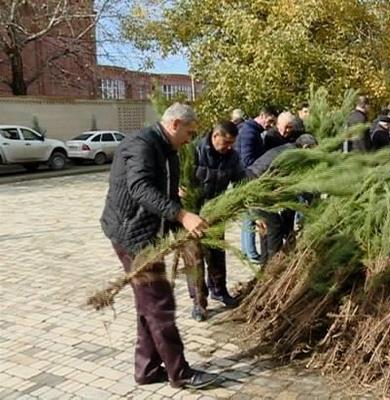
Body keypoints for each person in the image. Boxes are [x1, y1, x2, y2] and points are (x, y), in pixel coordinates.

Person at [100, 103, 218, 389]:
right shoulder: (141, 145)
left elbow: (166, 195)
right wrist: (182, 215)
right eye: (189, 132)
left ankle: (148, 369)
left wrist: (182, 228)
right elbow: (140, 189)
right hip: (132, 236)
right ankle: (180, 373)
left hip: (149, 234)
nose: (191, 139)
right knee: (159, 303)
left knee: (149, 304)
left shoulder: (169, 152)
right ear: (175, 124)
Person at [185, 121, 245, 321]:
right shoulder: (194, 152)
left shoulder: (232, 157)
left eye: (232, 144)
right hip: (191, 215)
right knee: (194, 259)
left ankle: (219, 290)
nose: (229, 147)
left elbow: (240, 181)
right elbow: (178, 177)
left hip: (216, 214)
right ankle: (199, 303)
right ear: (215, 136)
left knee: (217, 255)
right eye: (226, 142)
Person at [246, 132, 318, 263]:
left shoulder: (289, 148)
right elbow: (293, 182)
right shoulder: (293, 155)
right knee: (274, 224)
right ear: (306, 147)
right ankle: (274, 263)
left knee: (268, 225)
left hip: (256, 182)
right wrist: (310, 198)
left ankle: (266, 263)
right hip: (255, 184)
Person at [235, 106, 277, 264]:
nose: (270, 125)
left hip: (248, 178)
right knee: (251, 217)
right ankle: (251, 253)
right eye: (270, 121)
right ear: (262, 115)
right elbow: (246, 160)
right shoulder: (249, 132)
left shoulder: (254, 131)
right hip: (247, 179)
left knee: (249, 216)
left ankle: (248, 251)